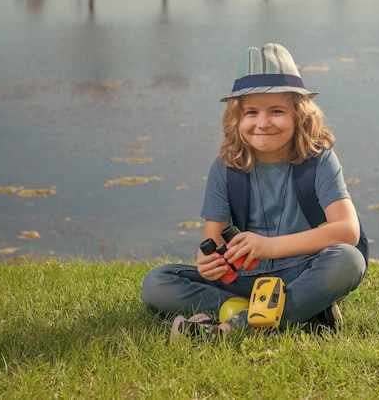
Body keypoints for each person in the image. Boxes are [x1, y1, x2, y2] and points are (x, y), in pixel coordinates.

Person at [141, 43, 366, 340]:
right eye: (251, 112)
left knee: (348, 260)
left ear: (299, 114)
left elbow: (348, 231)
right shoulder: (226, 166)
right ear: (237, 118)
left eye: (276, 111)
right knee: (158, 282)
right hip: (245, 278)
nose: (263, 123)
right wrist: (207, 263)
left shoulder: (319, 158)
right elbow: (213, 239)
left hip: (301, 270)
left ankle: (234, 325)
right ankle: (303, 310)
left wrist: (269, 247)